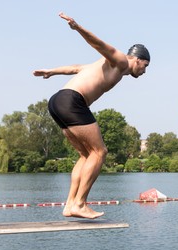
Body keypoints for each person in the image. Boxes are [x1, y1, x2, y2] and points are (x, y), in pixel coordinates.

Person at [33, 12, 150, 219]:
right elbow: (99, 44)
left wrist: (51, 71)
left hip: (57, 101)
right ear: (138, 60)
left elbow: (76, 68)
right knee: (100, 152)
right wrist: (77, 27)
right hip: (72, 101)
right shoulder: (121, 61)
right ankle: (80, 203)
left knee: (86, 155)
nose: (144, 72)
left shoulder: (106, 67)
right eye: (145, 66)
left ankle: (70, 205)